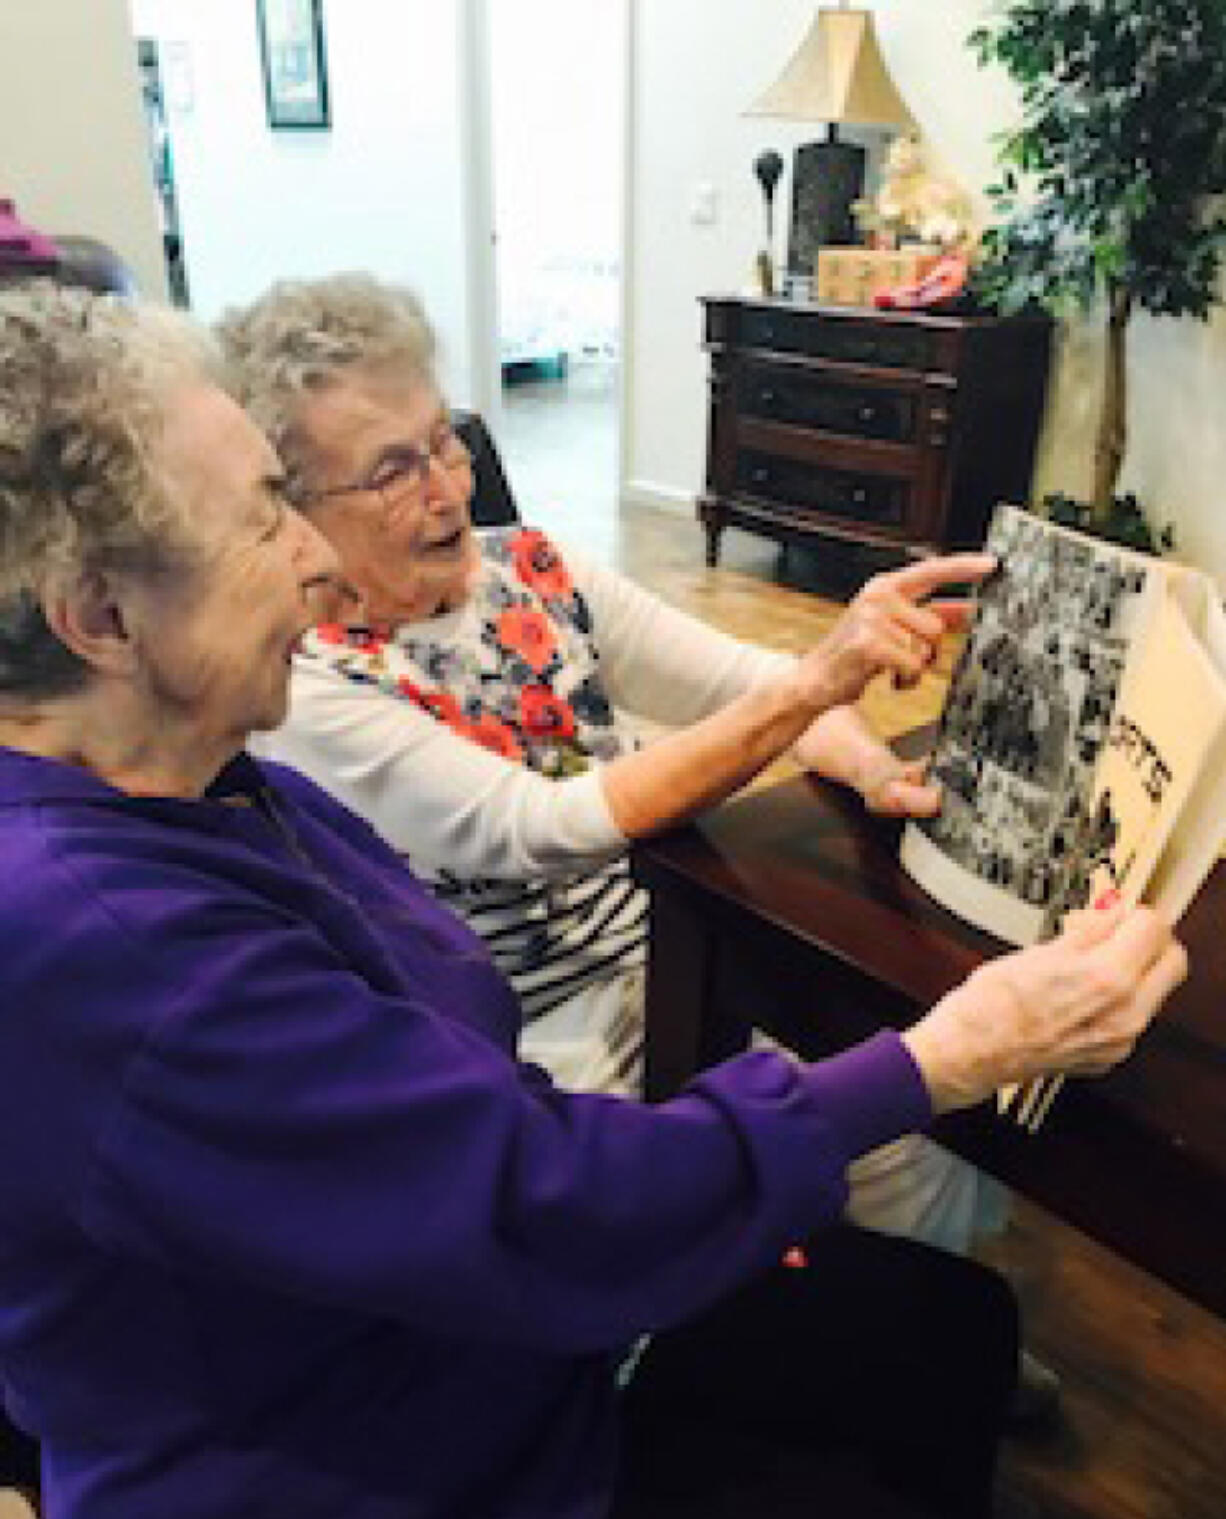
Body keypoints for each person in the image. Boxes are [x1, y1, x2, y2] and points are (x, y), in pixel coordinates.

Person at [0, 282, 1185, 1519]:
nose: (316, 563)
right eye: (267, 515)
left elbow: (470, 1123)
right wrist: (948, 1054)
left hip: (491, 1349)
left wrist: (825, 736)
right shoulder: (106, 946)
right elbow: (536, 1203)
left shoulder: (197, 773)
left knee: (942, 1328)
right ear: (98, 617)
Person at [223, 273, 992, 1255]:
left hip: (679, 935)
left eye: (445, 440)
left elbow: (736, 679)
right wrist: (809, 689)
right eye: (390, 470)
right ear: (294, 513)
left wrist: (870, 767)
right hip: (536, 1032)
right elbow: (541, 828)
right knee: (820, 1136)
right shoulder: (308, 687)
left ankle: (921, 1329)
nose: (447, 487)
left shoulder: (530, 568)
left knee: (907, 1107)